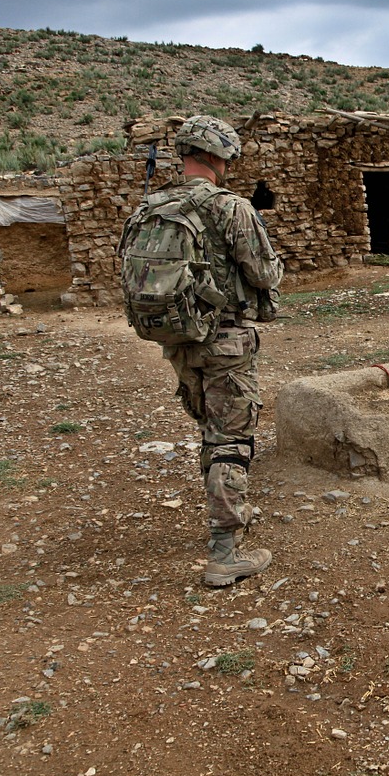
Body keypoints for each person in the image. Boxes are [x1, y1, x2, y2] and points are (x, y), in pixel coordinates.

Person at [160, 115, 285, 587]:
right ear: (215, 157)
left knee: (211, 428)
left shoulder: (155, 207)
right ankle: (224, 552)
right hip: (226, 341)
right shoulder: (230, 209)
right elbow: (263, 274)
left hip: (179, 341)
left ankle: (227, 512)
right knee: (231, 437)